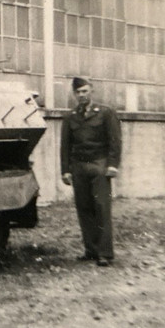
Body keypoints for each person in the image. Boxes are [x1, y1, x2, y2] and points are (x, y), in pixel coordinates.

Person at [60, 76, 122, 267]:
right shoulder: (70, 117)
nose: (82, 95)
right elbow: (65, 145)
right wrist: (66, 170)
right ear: (74, 94)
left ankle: (105, 253)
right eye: (78, 92)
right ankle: (91, 250)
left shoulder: (105, 113)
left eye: (85, 91)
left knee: (102, 208)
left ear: (92, 91)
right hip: (79, 167)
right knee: (84, 208)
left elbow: (115, 140)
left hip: (99, 165)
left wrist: (113, 165)